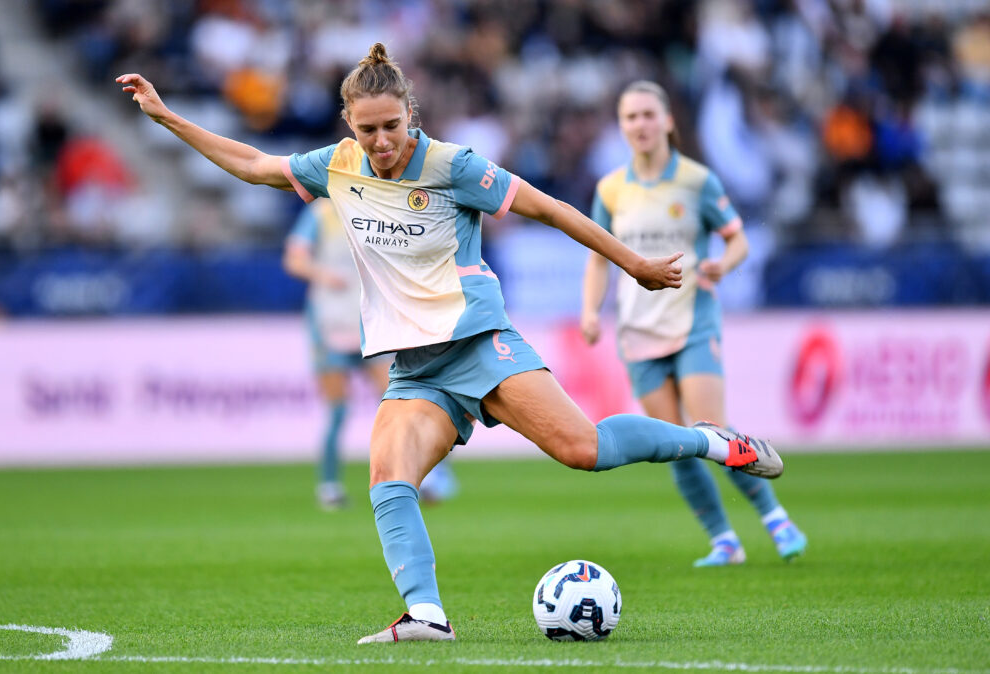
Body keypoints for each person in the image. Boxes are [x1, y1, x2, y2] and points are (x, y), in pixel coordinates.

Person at [117, 43, 784, 644]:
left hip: (479, 346)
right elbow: (255, 164)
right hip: (414, 370)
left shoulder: (453, 165)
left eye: (391, 127)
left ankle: (714, 442)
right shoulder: (338, 167)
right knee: (388, 476)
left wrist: (631, 264)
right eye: (366, 129)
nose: (380, 142)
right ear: (349, 124)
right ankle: (426, 615)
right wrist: (167, 117)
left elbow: (550, 209)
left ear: (412, 113)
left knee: (585, 450)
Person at [581, 81, 807, 568]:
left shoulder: (697, 181)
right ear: (621, 127)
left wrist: (724, 265)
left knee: (712, 430)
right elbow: (599, 258)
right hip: (638, 333)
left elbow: (738, 239)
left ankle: (775, 518)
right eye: (630, 117)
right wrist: (589, 312)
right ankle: (724, 540)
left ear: (668, 122)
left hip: (693, 322)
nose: (639, 124)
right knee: (675, 446)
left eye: (647, 115)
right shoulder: (611, 189)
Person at [283, 198, 457, 509]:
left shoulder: (376, 210)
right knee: (338, 410)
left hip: (370, 325)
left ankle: (431, 475)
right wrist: (324, 275)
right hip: (330, 323)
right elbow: (294, 260)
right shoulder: (321, 213)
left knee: (402, 402)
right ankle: (330, 486)